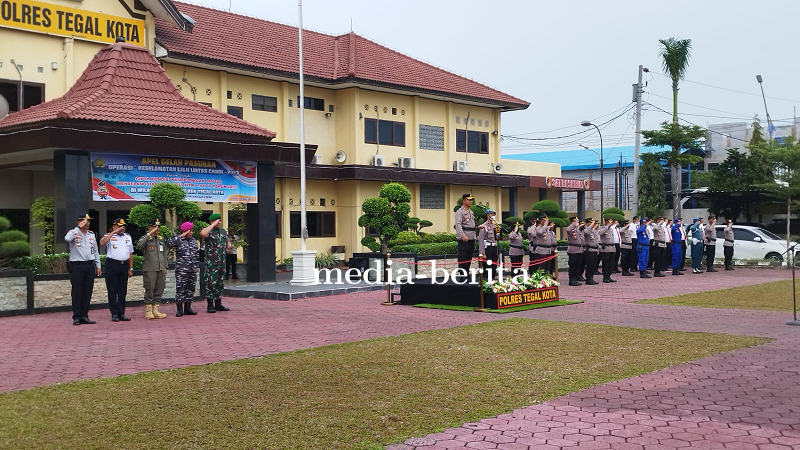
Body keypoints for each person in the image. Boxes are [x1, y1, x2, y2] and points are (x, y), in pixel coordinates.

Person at [65, 214, 102, 325]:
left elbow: (95, 251)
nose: (87, 223)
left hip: (89, 265)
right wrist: (78, 228)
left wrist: (98, 265)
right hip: (77, 266)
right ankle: (76, 317)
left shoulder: (91, 234)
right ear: (79, 222)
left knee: (87, 291)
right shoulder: (73, 233)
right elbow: (67, 239)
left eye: (88, 221)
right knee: (77, 292)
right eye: (85, 221)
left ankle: (84, 315)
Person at [100, 218, 133, 322]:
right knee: (112, 290)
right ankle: (114, 313)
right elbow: (102, 243)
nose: (122, 228)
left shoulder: (127, 237)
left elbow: (130, 253)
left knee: (122, 291)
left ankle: (121, 313)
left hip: (123, 265)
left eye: (123, 226)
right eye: (119, 226)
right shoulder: (109, 236)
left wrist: (130, 268)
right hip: (112, 265)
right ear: (114, 226)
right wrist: (113, 232)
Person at [167, 222, 200, 317]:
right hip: (182, 269)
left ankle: (187, 308)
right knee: (180, 289)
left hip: (192, 269)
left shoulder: (193, 240)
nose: (191, 233)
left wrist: (197, 265)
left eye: (192, 231)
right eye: (189, 231)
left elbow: (196, 254)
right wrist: (181, 235)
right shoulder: (178, 240)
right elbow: (169, 243)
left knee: (191, 289)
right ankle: (179, 309)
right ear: (184, 231)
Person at [138, 218, 168, 320]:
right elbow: (140, 245)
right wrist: (149, 234)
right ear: (150, 227)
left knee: (159, 289)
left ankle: (155, 309)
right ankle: (148, 311)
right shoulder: (146, 238)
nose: (157, 229)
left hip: (160, 268)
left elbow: (164, 254)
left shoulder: (160, 239)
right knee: (150, 289)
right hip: (150, 268)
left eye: (158, 227)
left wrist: (165, 266)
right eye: (155, 227)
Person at [201, 213, 232, 312]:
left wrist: (229, 246)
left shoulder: (223, 231)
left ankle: (218, 303)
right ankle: (210, 304)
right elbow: (203, 234)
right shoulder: (209, 230)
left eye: (220, 220)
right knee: (211, 283)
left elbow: (227, 241)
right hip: (212, 263)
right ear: (211, 221)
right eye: (217, 220)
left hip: (222, 262)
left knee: (220, 283)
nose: (219, 222)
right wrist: (213, 225)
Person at [454, 194, 476, 277]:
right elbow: (458, 224)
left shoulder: (470, 211)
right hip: (464, 238)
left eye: (471, 200)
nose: (470, 201)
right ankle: (462, 274)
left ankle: (466, 272)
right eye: (468, 200)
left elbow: (471, 224)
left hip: (471, 237)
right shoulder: (460, 211)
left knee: (469, 257)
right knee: (463, 256)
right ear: (464, 201)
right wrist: (462, 235)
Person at [478, 209, 500, 281]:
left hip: (494, 247)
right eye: (492, 215)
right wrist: (482, 253)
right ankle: (486, 282)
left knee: (494, 266)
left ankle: (493, 281)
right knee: (488, 266)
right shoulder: (484, 226)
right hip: (488, 248)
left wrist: (498, 231)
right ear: (488, 215)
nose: (493, 216)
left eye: (494, 215)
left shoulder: (495, 226)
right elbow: (481, 240)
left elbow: (497, 238)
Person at [565, 216, 583, 286]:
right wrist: (574, 224)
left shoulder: (577, 230)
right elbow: (568, 229)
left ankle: (575, 279)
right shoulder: (570, 229)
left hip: (579, 249)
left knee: (578, 266)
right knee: (573, 265)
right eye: (574, 221)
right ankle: (572, 280)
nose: (576, 222)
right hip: (573, 249)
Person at [598, 218, 616, 283]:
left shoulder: (611, 229)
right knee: (605, 264)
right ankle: (605, 277)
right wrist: (607, 226)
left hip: (611, 248)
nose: (610, 223)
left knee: (611, 263)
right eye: (608, 222)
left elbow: (612, 238)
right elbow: (600, 233)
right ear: (605, 222)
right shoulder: (601, 228)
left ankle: (609, 276)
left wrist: (614, 248)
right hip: (605, 249)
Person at [583, 218, 599, 285]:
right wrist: (591, 225)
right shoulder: (586, 230)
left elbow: (596, 241)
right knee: (589, 265)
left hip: (594, 250)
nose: (592, 224)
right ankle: (588, 279)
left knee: (593, 265)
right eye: (590, 222)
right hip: (589, 250)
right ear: (587, 223)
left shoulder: (593, 231)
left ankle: (591, 278)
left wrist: (597, 249)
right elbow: (586, 232)